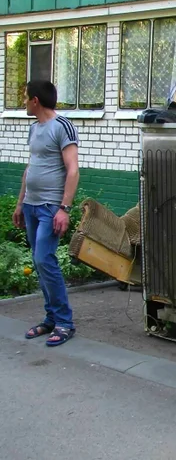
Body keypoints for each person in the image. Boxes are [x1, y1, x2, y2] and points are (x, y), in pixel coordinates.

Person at [12, 80, 79, 347]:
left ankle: (64, 322)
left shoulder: (62, 126)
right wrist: (20, 204)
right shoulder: (34, 128)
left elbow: (73, 170)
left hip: (51, 207)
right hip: (31, 205)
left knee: (43, 258)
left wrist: (64, 209)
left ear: (36, 100)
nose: (24, 103)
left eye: (26, 98)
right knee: (40, 263)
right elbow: (30, 168)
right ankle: (51, 318)